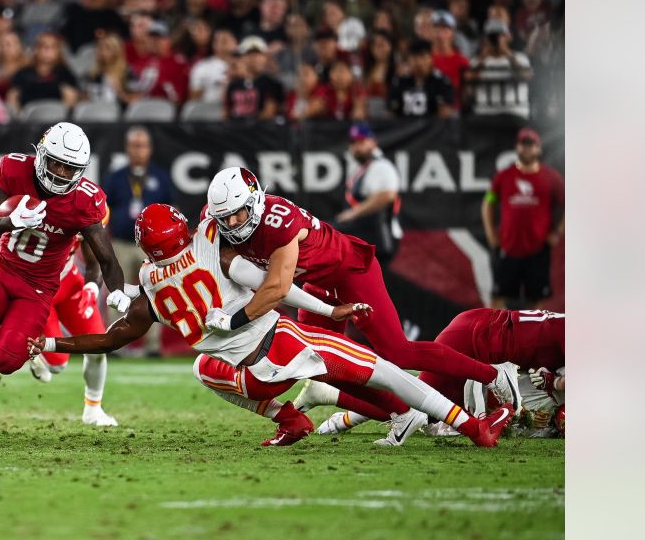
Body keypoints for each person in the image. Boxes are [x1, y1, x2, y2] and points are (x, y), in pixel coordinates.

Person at [28, 203, 515, 448]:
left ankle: (288, 417)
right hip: (282, 344)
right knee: (387, 370)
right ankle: (472, 427)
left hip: (245, 375)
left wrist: (52, 340)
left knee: (202, 367)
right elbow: (274, 286)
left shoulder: (151, 280)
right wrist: (330, 313)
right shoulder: (212, 248)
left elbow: (115, 337)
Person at [203, 166, 524, 412]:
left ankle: (494, 375)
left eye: (239, 214)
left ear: (255, 199)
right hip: (318, 284)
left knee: (397, 351)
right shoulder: (218, 224)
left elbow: (277, 288)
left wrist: (231, 321)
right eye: (225, 219)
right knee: (317, 362)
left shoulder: (278, 222)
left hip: (349, 271)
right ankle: (403, 414)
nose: (233, 225)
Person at [0, 122, 128, 450]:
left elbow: (104, 257)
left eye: (70, 168)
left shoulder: (85, 200)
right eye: (55, 163)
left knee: (7, 362)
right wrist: (12, 221)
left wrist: (118, 292)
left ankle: (87, 401)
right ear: (40, 154)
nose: (61, 173)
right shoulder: (14, 170)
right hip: (0, 269)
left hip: (39, 287)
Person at [301, 308, 563, 442]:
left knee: (421, 401)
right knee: (414, 407)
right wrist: (554, 382)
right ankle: (328, 394)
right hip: (477, 344)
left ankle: (342, 415)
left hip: (478, 327)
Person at [23, 237, 119, 427]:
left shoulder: (88, 210)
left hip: (69, 282)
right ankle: (26, 348)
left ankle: (93, 409)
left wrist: (91, 288)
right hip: (38, 289)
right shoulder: (36, 209)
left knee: (98, 345)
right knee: (57, 366)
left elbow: (96, 259)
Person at [103, 127, 173, 356]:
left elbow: (173, 211)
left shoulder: (161, 177)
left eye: (142, 145)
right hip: (122, 243)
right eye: (134, 145)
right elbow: (102, 212)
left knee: (155, 293)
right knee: (116, 290)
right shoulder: (116, 177)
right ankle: (113, 341)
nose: (138, 150)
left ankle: (152, 346)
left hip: (151, 250)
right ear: (127, 148)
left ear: (150, 149)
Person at [482, 127, 564, 309]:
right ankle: (494, 337)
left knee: (536, 302)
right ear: (516, 148)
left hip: (538, 249)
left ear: (538, 149)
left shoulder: (551, 178)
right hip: (508, 247)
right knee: (497, 300)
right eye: (523, 145)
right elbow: (488, 202)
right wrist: (490, 232)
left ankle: (533, 338)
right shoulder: (503, 177)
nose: (527, 149)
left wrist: (558, 232)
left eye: (531, 145)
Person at [337, 123, 402, 268]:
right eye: (353, 143)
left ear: (373, 142)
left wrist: (354, 213)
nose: (356, 147)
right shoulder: (363, 168)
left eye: (361, 142)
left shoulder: (381, 166)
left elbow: (387, 195)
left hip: (380, 238)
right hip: (368, 238)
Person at [464, 19, 532, 117]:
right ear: (485, 39)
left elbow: (525, 76)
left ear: (508, 37)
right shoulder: (476, 61)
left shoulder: (520, 58)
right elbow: (469, 82)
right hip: (485, 114)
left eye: (501, 35)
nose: (497, 39)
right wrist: (483, 58)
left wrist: (508, 55)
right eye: (492, 36)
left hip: (515, 114)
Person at [388, 39, 454, 118]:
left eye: (422, 56)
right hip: (404, 128)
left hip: (433, 129)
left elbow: (445, 113)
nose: (418, 62)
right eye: (413, 57)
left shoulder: (441, 81)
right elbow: (391, 113)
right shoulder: (400, 81)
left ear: (431, 58)